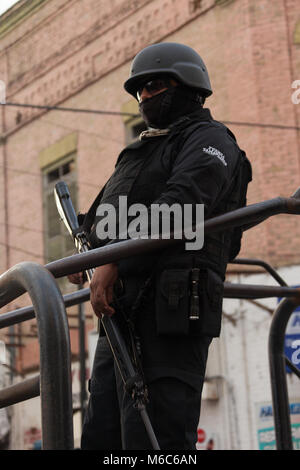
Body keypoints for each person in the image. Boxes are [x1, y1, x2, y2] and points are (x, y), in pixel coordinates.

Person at [68, 42, 252, 450]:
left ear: (188, 85)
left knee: (155, 441)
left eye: (155, 85)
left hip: (172, 311)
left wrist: (112, 259)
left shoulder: (211, 139)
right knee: (100, 439)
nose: (146, 97)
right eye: (140, 91)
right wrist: (87, 254)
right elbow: (104, 218)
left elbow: (180, 206)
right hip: (119, 317)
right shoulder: (139, 151)